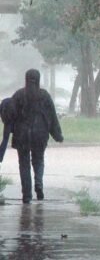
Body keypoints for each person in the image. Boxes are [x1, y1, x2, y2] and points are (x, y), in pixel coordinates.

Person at [11, 69, 63, 204]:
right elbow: (52, 117)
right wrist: (57, 135)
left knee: (24, 164)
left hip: (22, 135)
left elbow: (10, 115)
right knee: (38, 160)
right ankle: (38, 183)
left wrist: (10, 130)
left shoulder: (18, 95)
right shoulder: (44, 96)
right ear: (38, 80)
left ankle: (26, 195)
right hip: (40, 134)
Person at [0, 97, 14, 163]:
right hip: (15, 123)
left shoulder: (4, 101)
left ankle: (0, 157)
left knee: (5, 140)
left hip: (7, 122)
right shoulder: (18, 100)